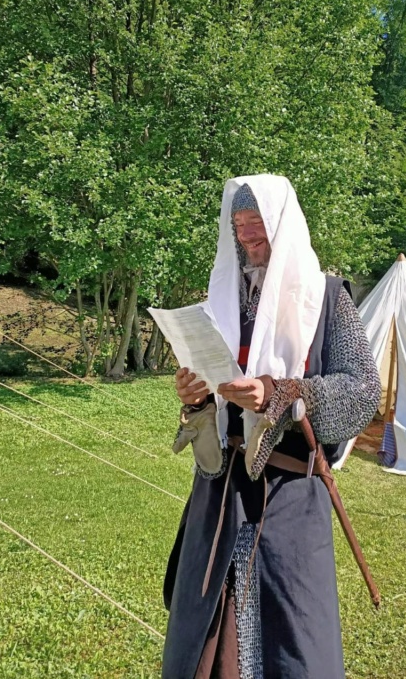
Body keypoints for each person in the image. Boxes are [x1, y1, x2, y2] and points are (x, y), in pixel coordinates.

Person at [162, 174, 380, 679]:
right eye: (238, 226)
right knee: (208, 641)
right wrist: (194, 397)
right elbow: (210, 384)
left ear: (282, 225)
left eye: (256, 224)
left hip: (288, 494)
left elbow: (362, 390)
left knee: (292, 642)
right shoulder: (222, 299)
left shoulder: (326, 297)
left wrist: (283, 394)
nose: (246, 236)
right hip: (218, 498)